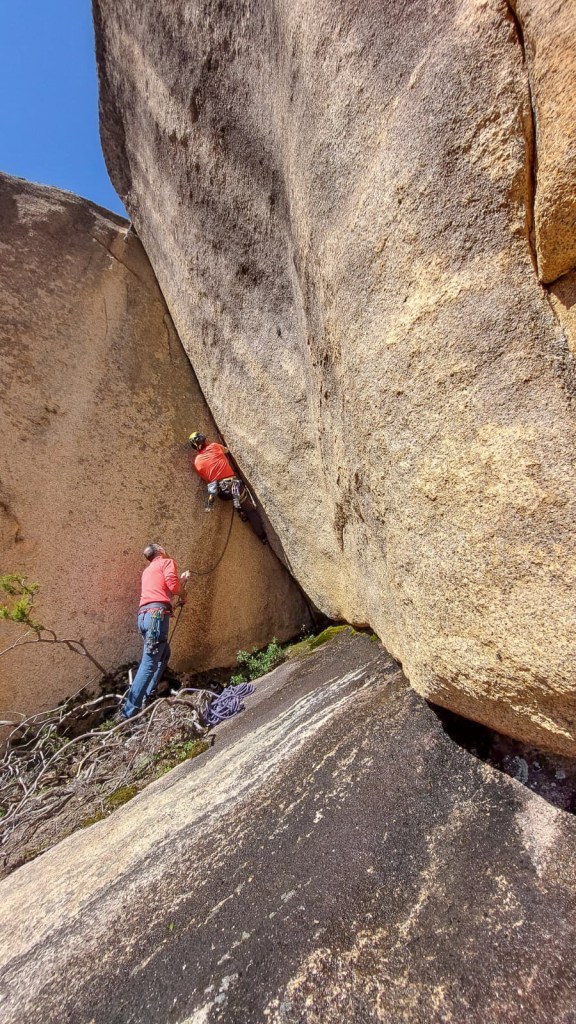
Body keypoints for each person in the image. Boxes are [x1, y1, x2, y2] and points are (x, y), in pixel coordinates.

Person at [121, 544, 190, 720]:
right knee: (149, 663)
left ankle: (147, 694)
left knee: (164, 654)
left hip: (144, 617)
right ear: (159, 550)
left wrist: (181, 583)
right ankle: (128, 714)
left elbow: (163, 592)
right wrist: (183, 593)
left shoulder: (148, 571)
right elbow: (173, 587)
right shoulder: (167, 562)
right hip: (156, 618)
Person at [187, 432, 267, 543]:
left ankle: (240, 511)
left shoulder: (196, 462)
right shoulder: (214, 446)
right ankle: (262, 537)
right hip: (233, 485)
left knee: (232, 493)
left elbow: (207, 480)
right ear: (204, 441)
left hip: (221, 492)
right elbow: (227, 450)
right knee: (250, 510)